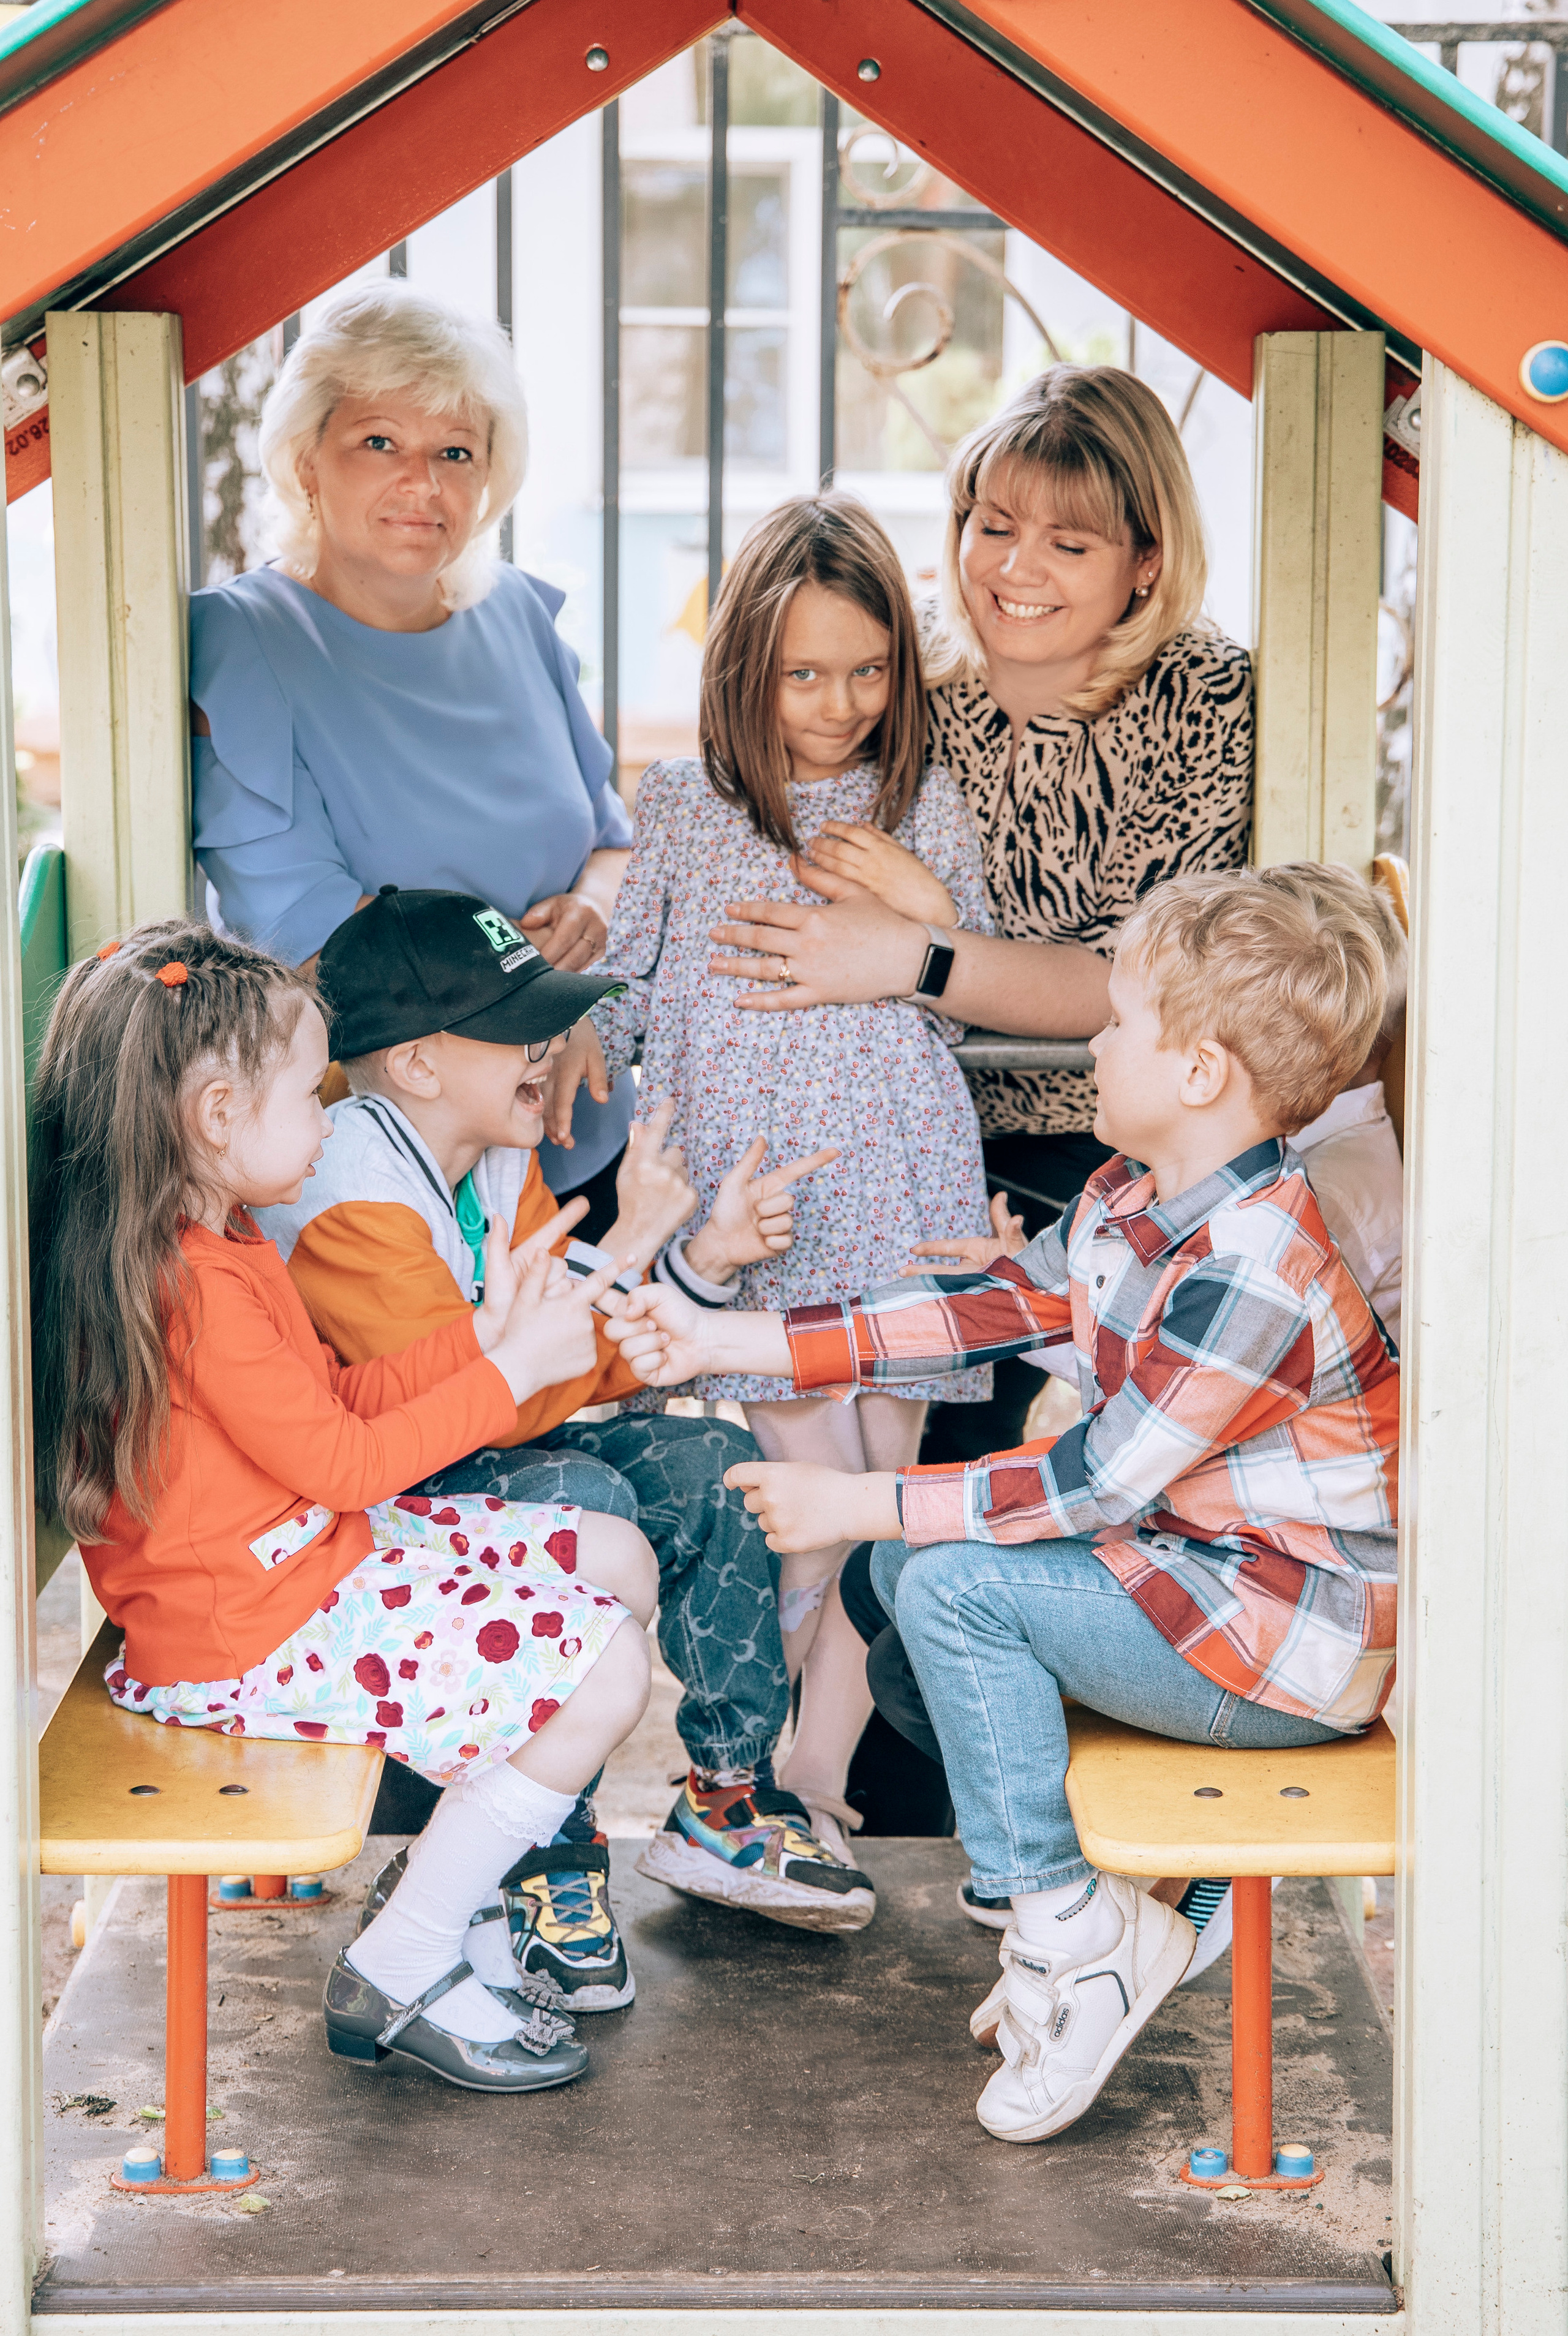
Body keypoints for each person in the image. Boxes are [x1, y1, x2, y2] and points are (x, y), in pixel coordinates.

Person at [602, 867, 1399, 2144]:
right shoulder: (1133, 1196)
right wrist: (721, 1338)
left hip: (1281, 1646)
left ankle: (1068, 1935)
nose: (1092, 1042)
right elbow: (981, 1310)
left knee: (953, 1584)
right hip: (1190, 1589)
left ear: (1200, 1072)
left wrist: (854, 1496)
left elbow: (1089, 1482)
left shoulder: (1260, 1264)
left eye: (1120, 1023)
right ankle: (1116, 1906)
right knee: (903, 1600)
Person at [29, 919, 660, 2096]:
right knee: (609, 1669)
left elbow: (332, 1406)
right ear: (219, 1117)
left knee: (616, 1553)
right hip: (245, 1631)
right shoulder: (194, 1284)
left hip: (305, 1564)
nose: (331, 1121)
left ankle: (454, 1887)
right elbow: (347, 1463)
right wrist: (507, 1377)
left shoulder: (223, 1241)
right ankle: (405, 1953)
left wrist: (478, 1338)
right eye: (311, 1095)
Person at [257, 884, 865, 1983]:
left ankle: (727, 1798)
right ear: (418, 1063)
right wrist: (634, 1255)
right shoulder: (347, 1186)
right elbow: (496, 1391)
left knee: (714, 1465)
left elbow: (574, 1360)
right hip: (374, 1500)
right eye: (515, 1027)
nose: (548, 1045)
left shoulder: (494, 1149)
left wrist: (690, 1265)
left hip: (476, 1460)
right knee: (585, 1499)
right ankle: (542, 1851)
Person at [692, 367, 1254, 1464]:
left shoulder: (1199, 695)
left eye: (1069, 544)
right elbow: (758, 837)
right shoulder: (900, 676)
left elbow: (1142, 981)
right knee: (849, 1420)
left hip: (1099, 1135)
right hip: (891, 1118)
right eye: (993, 526)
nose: (1014, 568)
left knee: (980, 1437)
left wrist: (917, 954)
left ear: (1146, 560)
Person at [587, 492, 993, 1888]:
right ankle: (743, 1776)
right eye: (803, 673)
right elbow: (630, 988)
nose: (838, 704)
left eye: (868, 669)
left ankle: (810, 1778)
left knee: (885, 1492)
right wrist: (566, 1046)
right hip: (769, 1198)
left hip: (904, 1178)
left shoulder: (923, 800)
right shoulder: (684, 803)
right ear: (744, 667)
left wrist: (923, 903)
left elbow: (962, 1000)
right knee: (810, 1492)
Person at [188, 279, 634, 1231]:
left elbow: (612, 841)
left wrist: (592, 915)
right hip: (386, 1186)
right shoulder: (242, 643)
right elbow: (312, 942)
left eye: (455, 452)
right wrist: (541, 1006)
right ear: (307, 459)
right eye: (380, 441)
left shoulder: (519, 614)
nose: (423, 483)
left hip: (580, 1139)